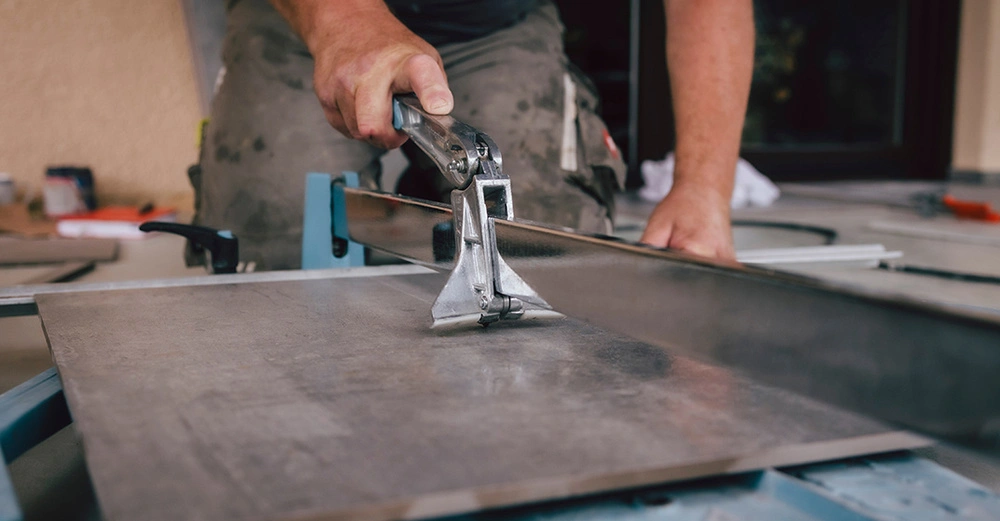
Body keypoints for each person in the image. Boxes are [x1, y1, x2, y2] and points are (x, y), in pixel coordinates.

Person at [190, 0, 754, 270]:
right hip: (305, 18)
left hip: (498, 23)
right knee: (267, 248)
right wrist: (342, 21)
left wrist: (704, 185)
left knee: (548, 256)